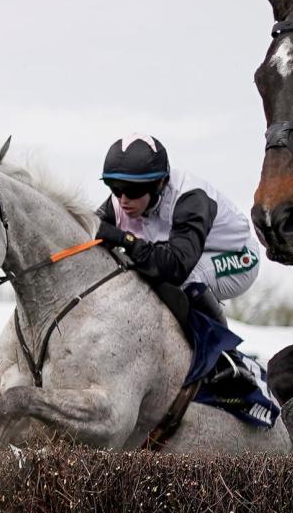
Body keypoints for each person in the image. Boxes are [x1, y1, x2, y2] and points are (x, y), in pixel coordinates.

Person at [94, 133, 262, 385]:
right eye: (115, 188)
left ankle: (228, 360)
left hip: (238, 258)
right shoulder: (121, 201)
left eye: (132, 190)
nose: (123, 199)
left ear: (160, 183)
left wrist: (125, 240)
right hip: (184, 253)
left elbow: (175, 268)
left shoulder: (190, 198)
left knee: (184, 279)